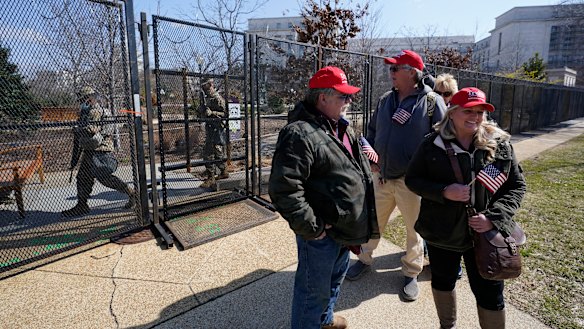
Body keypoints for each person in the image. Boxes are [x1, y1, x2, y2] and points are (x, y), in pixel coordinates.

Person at [405, 87, 526, 328]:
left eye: (480, 111)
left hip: (486, 235)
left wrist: (493, 217)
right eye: (468, 111)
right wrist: (443, 191)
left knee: (490, 291)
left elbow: (516, 186)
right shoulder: (432, 144)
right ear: (452, 112)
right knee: (443, 281)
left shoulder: (499, 145)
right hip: (442, 232)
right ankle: (447, 325)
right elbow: (413, 179)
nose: (475, 116)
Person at [269, 66, 379, 329]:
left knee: (334, 280)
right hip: (321, 234)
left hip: (343, 228)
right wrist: (312, 228)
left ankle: (325, 321)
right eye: (343, 96)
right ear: (323, 98)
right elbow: (284, 189)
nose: (348, 102)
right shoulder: (299, 133)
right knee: (312, 294)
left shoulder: (341, 128)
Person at [345, 49, 447, 302]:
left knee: (414, 229)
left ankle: (411, 272)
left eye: (395, 69)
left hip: (412, 182)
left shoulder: (432, 102)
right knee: (373, 222)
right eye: (390, 69)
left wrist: (425, 174)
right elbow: (370, 132)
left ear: (412, 72)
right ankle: (365, 258)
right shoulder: (384, 100)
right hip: (382, 177)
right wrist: (373, 161)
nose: (390, 73)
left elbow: (444, 141)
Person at [63, 87, 135, 217]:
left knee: (105, 178)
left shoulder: (99, 111)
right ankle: (82, 205)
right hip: (89, 150)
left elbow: (98, 130)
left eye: (85, 99)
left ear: (90, 98)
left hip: (100, 150)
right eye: (82, 100)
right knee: (83, 177)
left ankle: (132, 194)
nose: (83, 102)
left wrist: (81, 129)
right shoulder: (86, 113)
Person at [199, 78, 229, 189]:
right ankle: (223, 170)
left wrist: (212, 112)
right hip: (211, 127)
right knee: (216, 151)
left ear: (211, 86)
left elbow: (225, 114)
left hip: (217, 127)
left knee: (209, 153)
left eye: (207, 88)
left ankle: (211, 177)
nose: (206, 91)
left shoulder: (217, 98)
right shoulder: (208, 98)